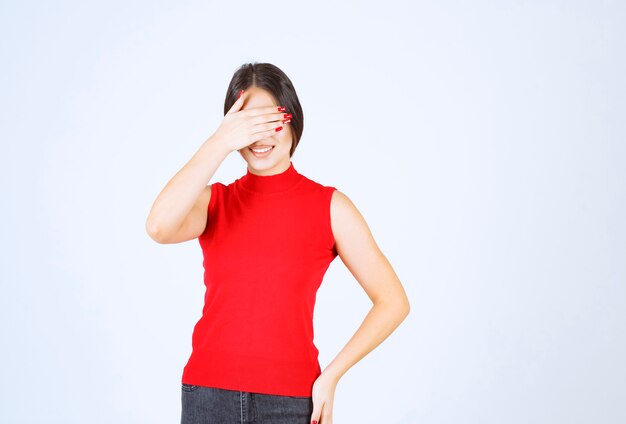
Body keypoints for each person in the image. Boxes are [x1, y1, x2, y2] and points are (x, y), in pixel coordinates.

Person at [145, 62, 410, 424]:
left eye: (272, 119)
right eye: (246, 124)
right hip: (208, 395)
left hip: (291, 401)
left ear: (293, 119)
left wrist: (331, 376)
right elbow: (158, 226)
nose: (260, 136)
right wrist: (219, 142)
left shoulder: (330, 207)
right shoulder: (214, 203)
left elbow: (393, 301)